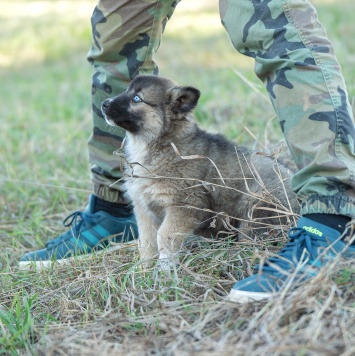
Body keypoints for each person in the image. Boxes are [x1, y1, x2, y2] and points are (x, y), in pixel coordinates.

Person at [20, 0, 355, 302]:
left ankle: (332, 215)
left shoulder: (186, 154)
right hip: (164, 178)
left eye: (137, 100)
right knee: (116, 42)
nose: (124, 102)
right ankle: (113, 209)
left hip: (244, 204)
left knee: (273, 22)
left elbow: (187, 205)